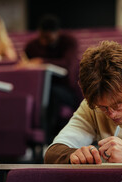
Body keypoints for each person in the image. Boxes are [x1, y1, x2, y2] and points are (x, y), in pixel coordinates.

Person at [44, 41, 122, 164]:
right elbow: (52, 153)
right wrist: (73, 155)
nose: (112, 114)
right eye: (103, 107)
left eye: (119, 103)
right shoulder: (93, 104)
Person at [23, 14, 81, 143]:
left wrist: (41, 61)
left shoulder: (68, 42)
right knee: (34, 96)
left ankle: (47, 140)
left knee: (50, 94)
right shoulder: (32, 46)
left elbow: (68, 65)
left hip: (68, 90)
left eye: (48, 38)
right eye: (42, 37)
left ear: (57, 33)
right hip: (40, 89)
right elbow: (26, 62)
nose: (44, 42)